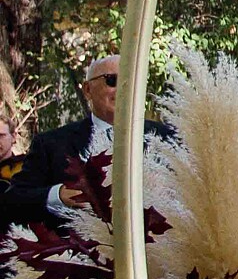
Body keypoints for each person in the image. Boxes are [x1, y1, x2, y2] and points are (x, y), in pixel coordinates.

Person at [1, 56, 173, 228]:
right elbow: (13, 201)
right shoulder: (51, 144)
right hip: (76, 251)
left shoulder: (166, 137)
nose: (123, 89)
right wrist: (58, 196)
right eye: (112, 80)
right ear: (88, 90)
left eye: (131, 81)